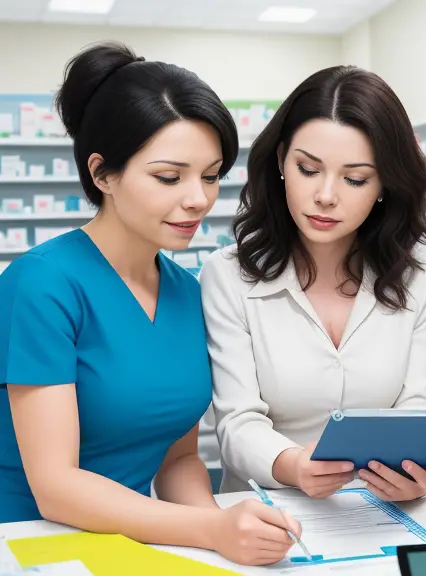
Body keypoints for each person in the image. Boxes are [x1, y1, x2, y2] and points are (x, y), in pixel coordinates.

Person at [0, 42, 301, 567]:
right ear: (102, 174)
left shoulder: (187, 292)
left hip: (130, 541)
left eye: (210, 175)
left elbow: (180, 456)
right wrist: (211, 528)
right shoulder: (41, 285)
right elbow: (56, 486)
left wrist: (229, 542)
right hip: (32, 543)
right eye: (169, 177)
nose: (198, 199)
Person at [199, 65, 426, 503]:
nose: (326, 195)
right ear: (280, 161)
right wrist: (294, 465)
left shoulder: (420, 271)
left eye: (355, 179)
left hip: (387, 510)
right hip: (266, 511)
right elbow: (237, 423)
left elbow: (417, 406)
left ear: (385, 184)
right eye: (308, 169)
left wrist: (420, 469)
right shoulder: (227, 275)